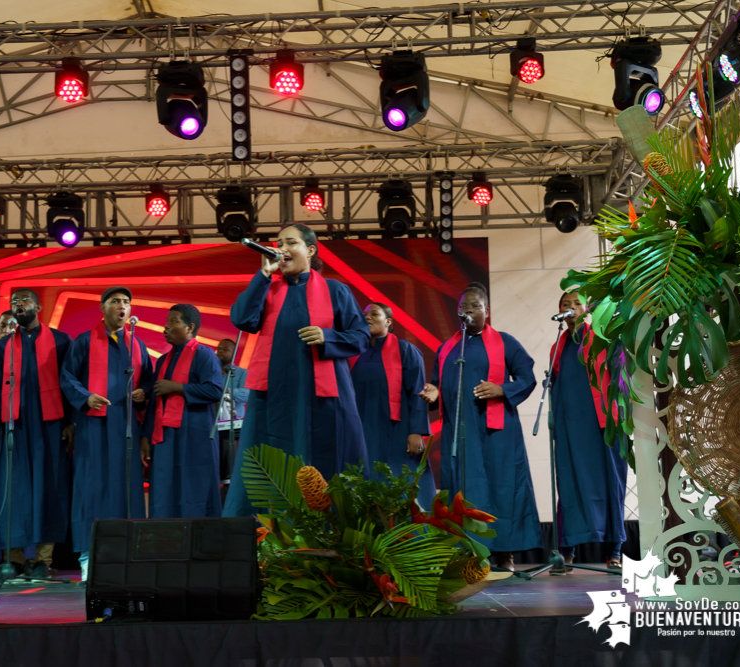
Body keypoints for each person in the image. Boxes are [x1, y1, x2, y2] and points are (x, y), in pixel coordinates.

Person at [223, 224, 370, 517]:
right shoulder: (268, 289)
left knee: (326, 461)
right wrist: (264, 273)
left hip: (322, 396)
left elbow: (362, 336)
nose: (282, 248)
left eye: (291, 242)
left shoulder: (335, 289)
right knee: (269, 462)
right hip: (274, 396)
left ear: (310, 250)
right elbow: (241, 318)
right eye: (278, 243)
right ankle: (267, 538)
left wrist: (329, 336)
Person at [419, 282, 541, 571]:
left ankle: (504, 554)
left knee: (500, 488)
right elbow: (438, 384)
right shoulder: (448, 348)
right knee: (465, 489)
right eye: (463, 307)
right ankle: (469, 552)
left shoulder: (505, 342)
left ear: (488, 310)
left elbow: (527, 377)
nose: (468, 311)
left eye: (474, 306)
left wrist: (502, 390)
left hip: (496, 433)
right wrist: (434, 393)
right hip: (459, 435)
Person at [0, 288, 73, 579]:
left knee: (49, 488)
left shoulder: (60, 340)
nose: (18, 305)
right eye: (14, 302)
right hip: (14, 426)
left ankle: (43, 559)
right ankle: (13, 558)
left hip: (50, 425)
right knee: (13, 489)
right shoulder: (5, 346)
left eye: (24, 300)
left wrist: (71, 422)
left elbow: (69, 384)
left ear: (39, 306)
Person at [60, 287, 152, 581]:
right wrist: (85, 397)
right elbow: (67, 377)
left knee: (127, 490)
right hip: (94, 427)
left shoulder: (137, 344)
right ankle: (89, 557)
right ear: (102, 308)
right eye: (115, 302)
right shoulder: (85, 341)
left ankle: (129, 553)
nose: (122, 307)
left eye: (126, 302)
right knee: (91, 490)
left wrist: (143, 393)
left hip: (126, 426)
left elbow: (149, 380)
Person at [549, 291, 628, 574]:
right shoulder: (558, 347)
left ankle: (614, 552)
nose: (571, 308)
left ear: (589, 308)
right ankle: (567, 551)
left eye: (577, 303)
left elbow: (621, 378)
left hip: (603, 426)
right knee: (570, 487)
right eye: (565, 305)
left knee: (611, 485)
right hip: (571, 428)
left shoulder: (605, 337)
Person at [141, 304, 224, 519]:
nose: (166, 327)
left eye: (174, 321)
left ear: (190, 327)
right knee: (164, 488)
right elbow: (154, 403)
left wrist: (177, 387)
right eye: (167, 322)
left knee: (193, 486)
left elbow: (215, 390)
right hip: (165, 436)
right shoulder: (162, 361)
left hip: (195, 434)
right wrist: (145, 436)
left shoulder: (204, 355)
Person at [351, 303, 435, 509]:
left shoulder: (405, 350)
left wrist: (417, 431)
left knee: (402, 482)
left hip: (397, 430)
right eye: (364, 314)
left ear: (388, 322)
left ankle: (414, 537)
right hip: (364, 429)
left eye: (374, 314)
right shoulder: (354, 354)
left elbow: (417, 391)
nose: (367, 317)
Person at [215, 339, 249, 421]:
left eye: (225, 349)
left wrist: (225, 391)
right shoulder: (210, 372)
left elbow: (247, 395)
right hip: (210, 420)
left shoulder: (243, 373)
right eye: (219, 349)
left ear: (234, 353)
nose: (220, 351)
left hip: (232, 422)